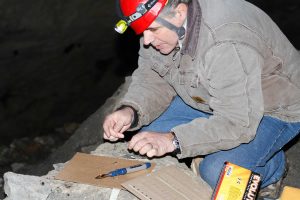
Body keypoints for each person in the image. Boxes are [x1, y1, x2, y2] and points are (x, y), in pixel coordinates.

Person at [103, 0, 300, 198]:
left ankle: (272, 167)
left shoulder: (226, 42)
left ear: (180, 12)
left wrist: (174, 140)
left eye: (153, 29)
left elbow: (237, 122)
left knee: (218, 172)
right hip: (211, 95)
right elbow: (152, 76)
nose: (146, 40)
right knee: (147, 134)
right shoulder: (162, 25)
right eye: (142, 31)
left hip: (273, 108)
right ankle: (235, 149)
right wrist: (131, 110)